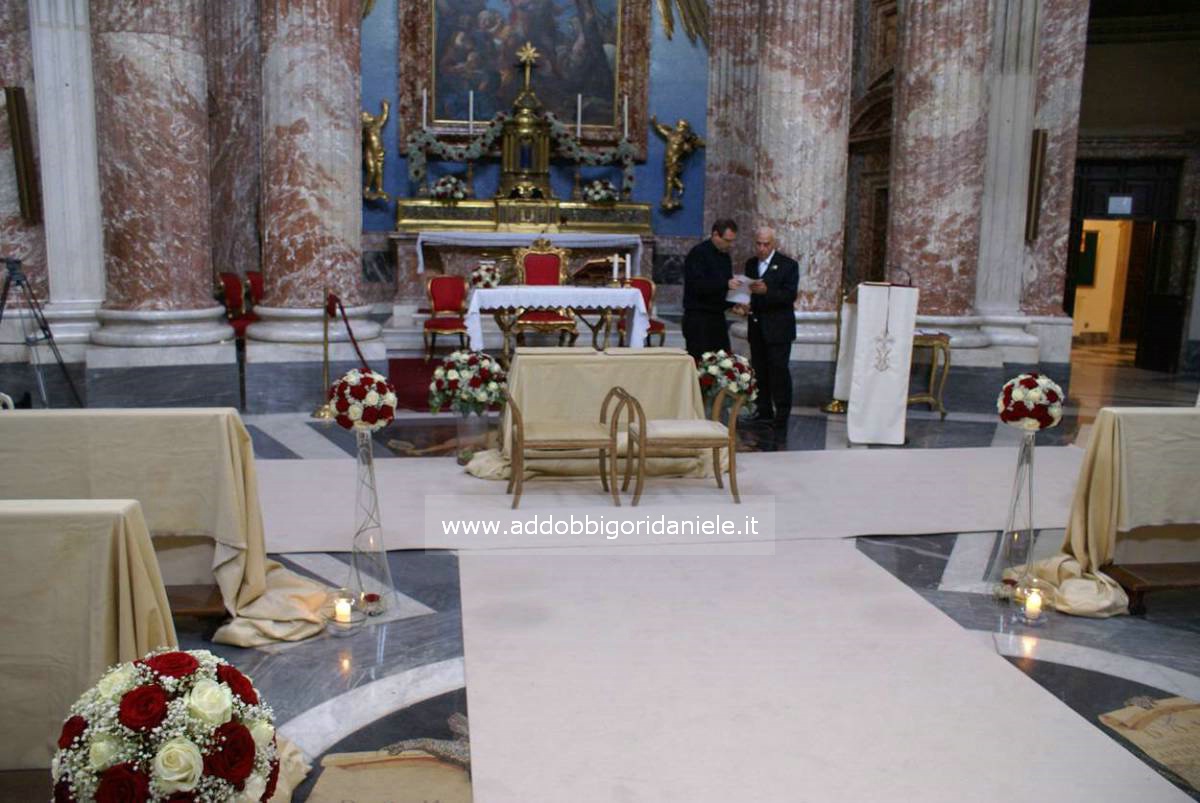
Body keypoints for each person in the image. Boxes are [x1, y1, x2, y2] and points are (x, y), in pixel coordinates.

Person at [737, 226, 798, 431]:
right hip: (757, 327)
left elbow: (789, 295)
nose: (762, 248)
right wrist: (744, 304)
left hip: (778, 328)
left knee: (778, 371)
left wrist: (767, 291)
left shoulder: (788, 265)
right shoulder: (751, 264)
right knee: (760, 371)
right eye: (759, 244)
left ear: (774, 244)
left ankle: (782, 413)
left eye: (766, 244)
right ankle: (763, 411)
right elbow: (748, 291)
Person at [682, 219, 741, 361]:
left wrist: (734, 304)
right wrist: (725, 284)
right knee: (700, 362)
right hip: (698, 319)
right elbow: (697, 285)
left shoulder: (724, 256)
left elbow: (723, 291)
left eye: (732, 241)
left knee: (722, 362)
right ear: (715, 235)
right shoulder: (698, 253)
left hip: (717, 319)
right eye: (727, 240)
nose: (730, 245)